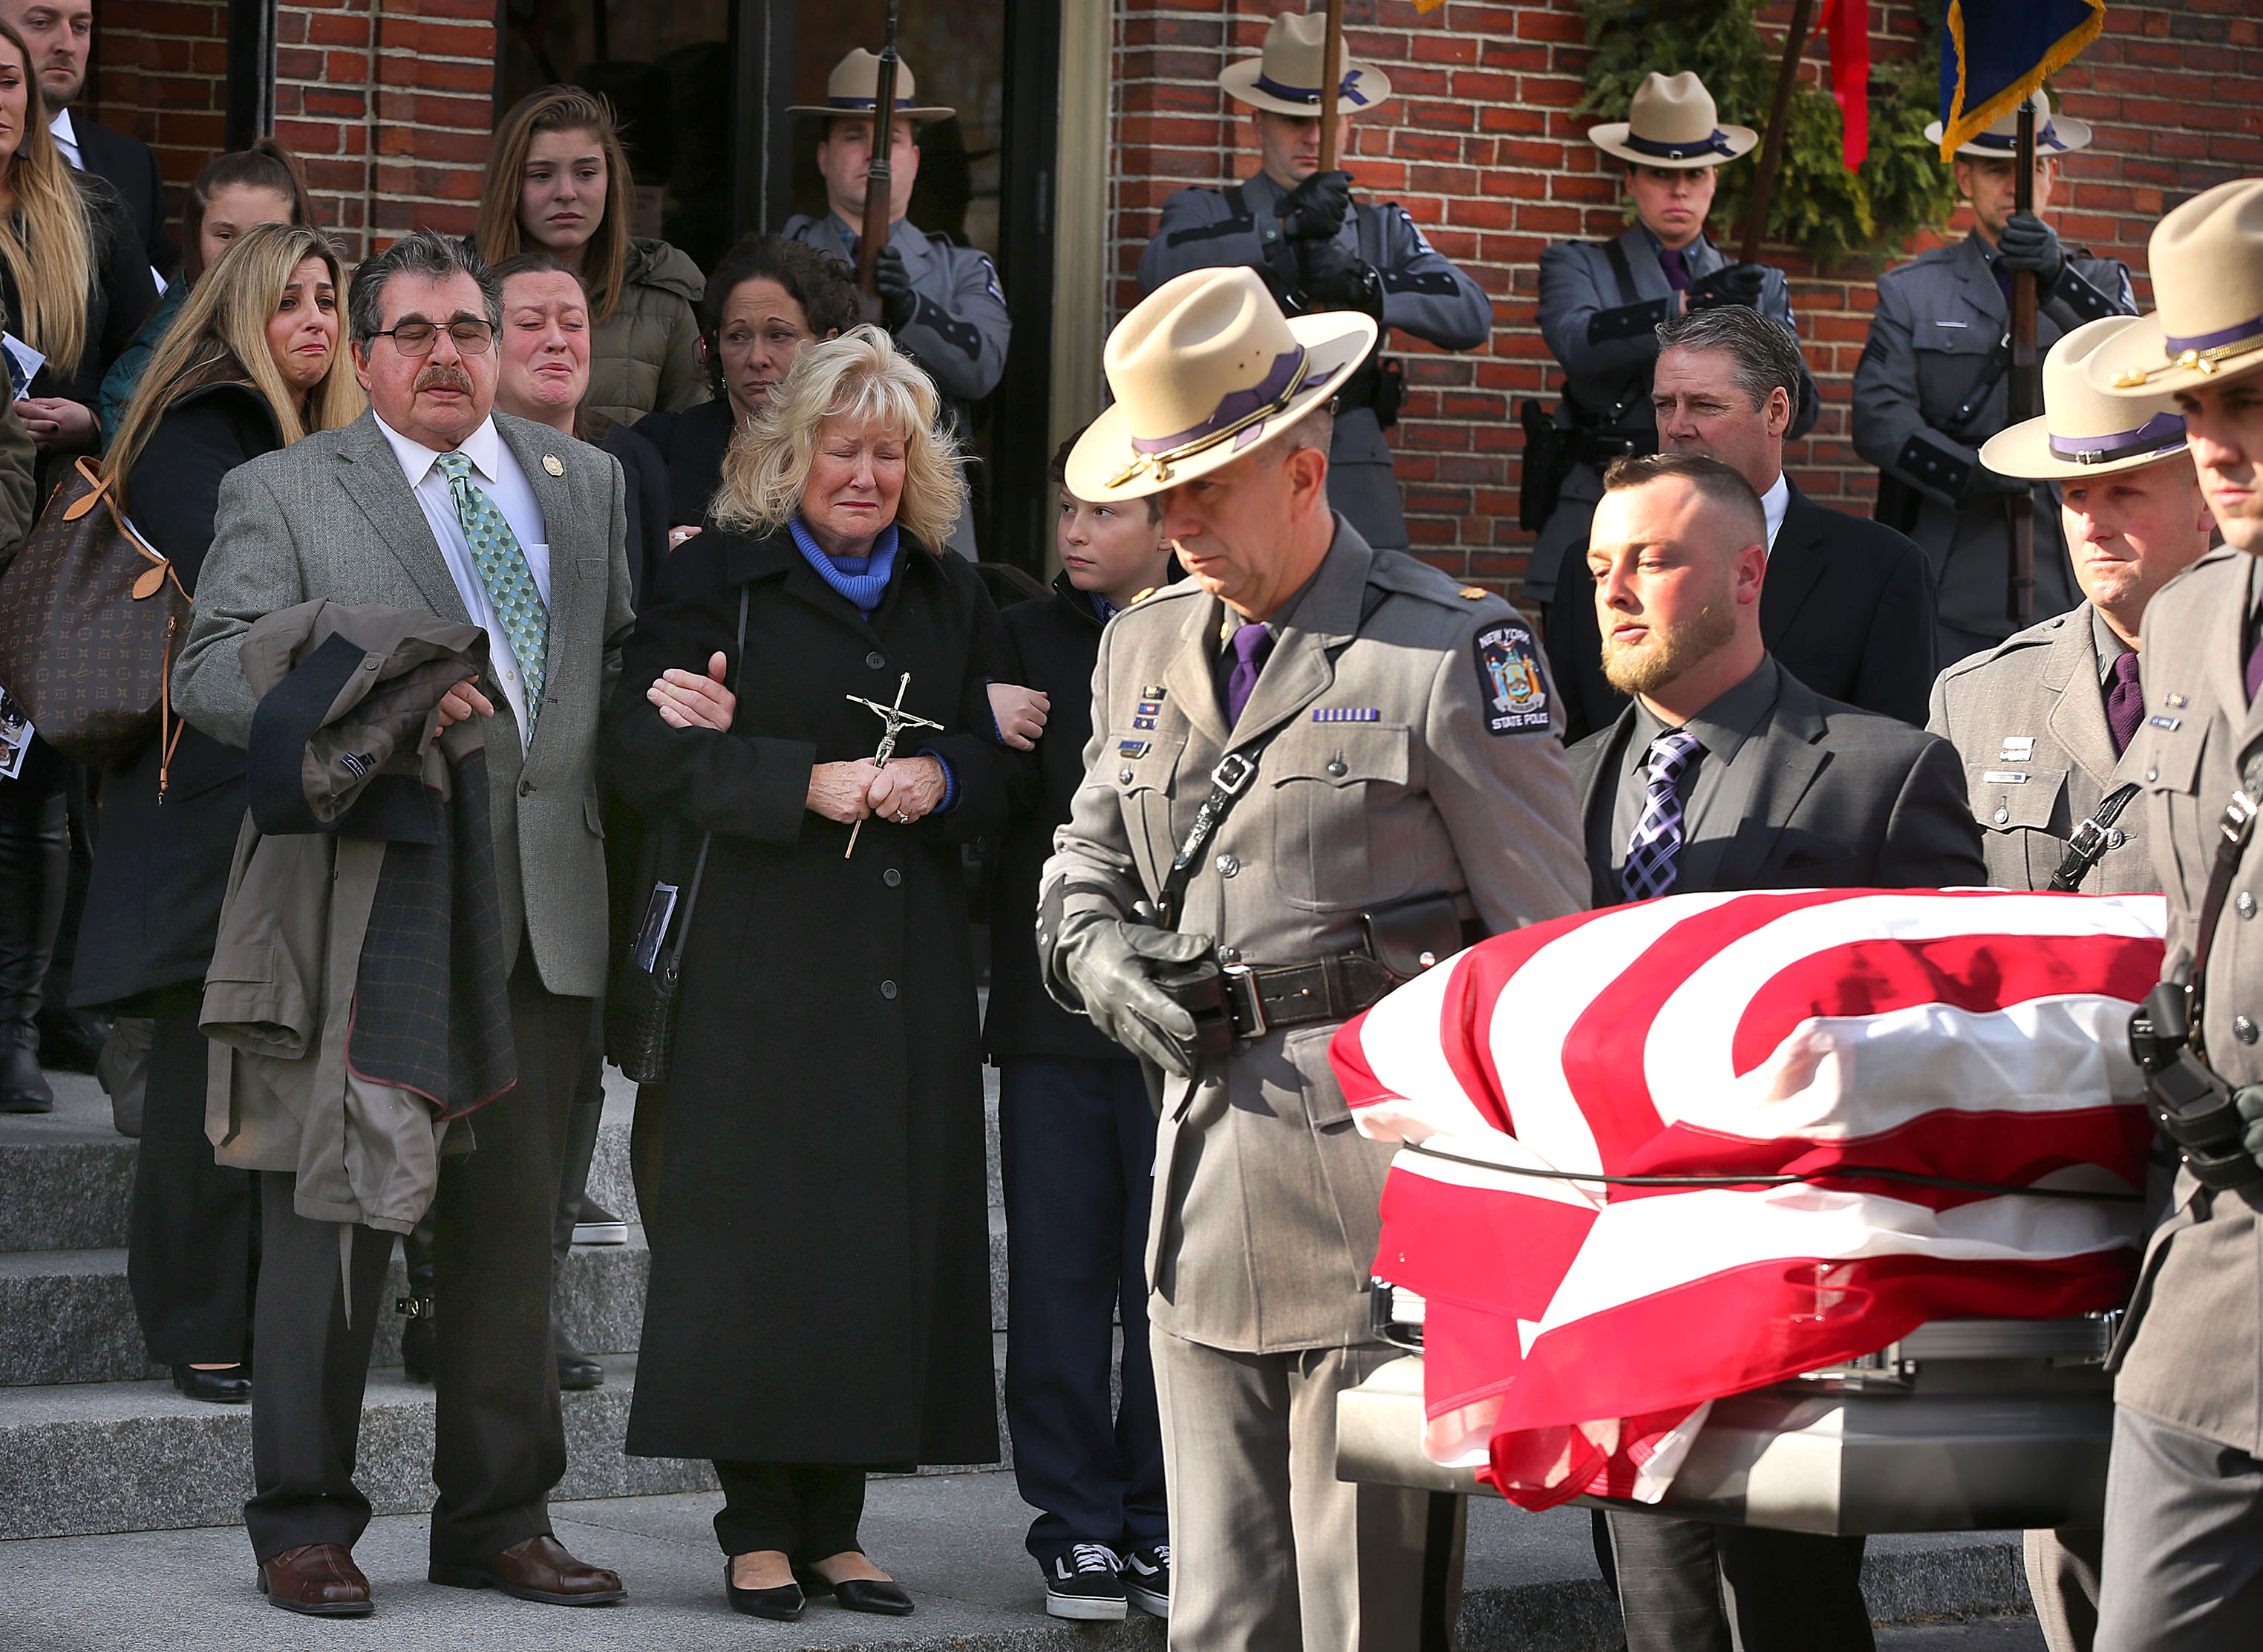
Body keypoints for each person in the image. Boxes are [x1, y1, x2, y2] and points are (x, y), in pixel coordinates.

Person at [1039, 265, 1590, 1651]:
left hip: (1378, 1203)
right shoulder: (1144, 646)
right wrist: (1092, 956)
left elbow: (1540, 952)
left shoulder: (1446, 651)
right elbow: (1083, 857)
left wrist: (1512, 1218)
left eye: (1201, 494)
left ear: (1303, 467)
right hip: (1196, 1181)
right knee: (1217, 1620)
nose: (1173, 530)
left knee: (1363, 1621)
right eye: (1157, 499)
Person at [171, 229, 632, 1617]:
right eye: (415, 332)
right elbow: (205, 676)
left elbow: (601, 684)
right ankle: (304, 1520)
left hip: (546, 910)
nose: (447, 355)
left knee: (511, 1236)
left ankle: (500, 1515)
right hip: (368, 905)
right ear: (365, 357)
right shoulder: (286, 489)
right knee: (330, 1220)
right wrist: (380, 689)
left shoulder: (586, 480)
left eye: (468, 330)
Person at [607, 325, 1009, 1624]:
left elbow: (1006, 761)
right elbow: (638, 753)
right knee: (758, 1249)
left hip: (904, 967)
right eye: (842, 448)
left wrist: (941, 776)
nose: (865, 475)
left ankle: (840, 1527)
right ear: (793, 455)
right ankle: (758, 1524)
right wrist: (797, 780)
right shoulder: (718, 579)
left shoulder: (952, 588)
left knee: (875, 1247)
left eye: (889, 454)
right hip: (756, 966)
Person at [1571, 451, 1984, 1652]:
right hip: (1609, 1287)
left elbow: (1955, 1037)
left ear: (1746, 571)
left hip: (1795, 1294)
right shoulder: (1546, 788)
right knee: (1655, 1615)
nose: (1616, 589)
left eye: (1651, 559)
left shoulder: (1880, 773)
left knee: (1788, 1618)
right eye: (1599, 565)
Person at [1924, 316, 2214, 1652]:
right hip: (2051, 1180)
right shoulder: (1981, 696)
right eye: (2070, 495)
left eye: (2123, 488)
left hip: (2217, 1170)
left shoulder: (2237, 667)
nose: (2091, 524)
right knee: (2072, 1553)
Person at [65, 223, 360, 1403]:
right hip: (196, 794)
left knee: (263, 1058)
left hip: (270, 787)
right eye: (288, 298)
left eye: (331, 298)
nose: (316, 320)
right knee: (200, 1062)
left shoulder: (321, 442)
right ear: (239, 310)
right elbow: (259, 604)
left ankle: (250, 1308)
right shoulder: (202, 426)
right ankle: (196, 1320)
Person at [2068, 175, 2263, 1652]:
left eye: (2252, 394)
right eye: (2199, 403)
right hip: (2215, 1264)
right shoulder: (2195, 610)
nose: (2219, 441)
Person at [986, 432, 1178, 1621]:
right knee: (1057, 1278)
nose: (1073, 531)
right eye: (1064, 508)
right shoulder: (1018, 640)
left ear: (1170, 521)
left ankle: (1162, 1516)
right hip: (1057, 1012)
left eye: (1104, 511)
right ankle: (1075, 1522)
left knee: (1164, 1282)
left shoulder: (1223, 635)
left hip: (1179, 1018)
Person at [1134, 10, 1489, 556]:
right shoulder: (1206, 210)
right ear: (1257, 122)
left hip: (1345, 456)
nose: (1314, 135)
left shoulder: (1380, 226)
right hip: (1227, 449)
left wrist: (1369, 285)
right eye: (1292, 120)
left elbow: (1470, 313)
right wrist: (1284, 230)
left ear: (1350, 124)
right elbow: (1161, 268)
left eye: (1328, 119)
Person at [0, 16, 154, 1114]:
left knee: (29, 794)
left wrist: (91, 417)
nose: (0, 97)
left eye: (9, 82)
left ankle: (13, 1028)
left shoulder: (88, 213)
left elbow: (154, 354)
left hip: (44, 541)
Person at [1547, 304, 1935, 740]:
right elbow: (1568, 757)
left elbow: (1891, 759)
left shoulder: (1880, 569)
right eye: (1664, 405)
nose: (1677, 427)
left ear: (1775, 413)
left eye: (1703, 405)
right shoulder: (1591, 572)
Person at [1853, 92, 2136, 665]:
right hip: (1957, 555)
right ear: (1964, 177)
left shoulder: (2097, 279)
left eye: (2030, 167)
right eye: (1995, 169)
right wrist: (1975, 472)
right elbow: (1879, 419)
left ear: (2052, 173)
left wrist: (2056, 278)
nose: (2015, 186)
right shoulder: (1913, 289)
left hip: (2077, 550)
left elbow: (2133, 371)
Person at [1523, 68, 1818, 618]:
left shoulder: (1757, 284)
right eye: (1659, 174)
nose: (1679, 190)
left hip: (1718, 521)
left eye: (1696, 174)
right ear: (1630, 179)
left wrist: (1757, 338)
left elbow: (1798, 410)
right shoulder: (1577, 263)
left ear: (1714, 181)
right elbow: (1576, 341)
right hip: (1604, 508)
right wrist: (1689, 305)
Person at [784, 46, 1010, 552]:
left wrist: (913, 310)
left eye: (892, 139)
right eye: (853, 137)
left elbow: (983, 367)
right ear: (823, 156)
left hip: (929, 529)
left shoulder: (962, 268)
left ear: (914, 158)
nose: (874, 154)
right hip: (800, 513)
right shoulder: (779, 262)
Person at [476, 85, 706, 427]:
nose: (566, 193)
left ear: (610, 180)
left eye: (586, 173)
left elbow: (692, 443)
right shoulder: (462, 291)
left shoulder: (662, 293)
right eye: (542, 175)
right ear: (510, 185)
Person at [636, 231, 857, 533]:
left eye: (779, 335)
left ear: (827, 344)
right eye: (737, 336)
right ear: (716, 344)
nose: (757, 358)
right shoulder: (658, 447)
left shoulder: (863, 455)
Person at [100, 140, 315, 445]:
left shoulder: (336, 344)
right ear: (195, 238)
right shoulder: (140, 373)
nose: (242, 252)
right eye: (226, 236)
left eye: (265, 234)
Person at [1, 0, 175, 278]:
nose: (67, 45)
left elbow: (160, 287)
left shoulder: (133, 163)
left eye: (80, 27)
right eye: (41, 23)